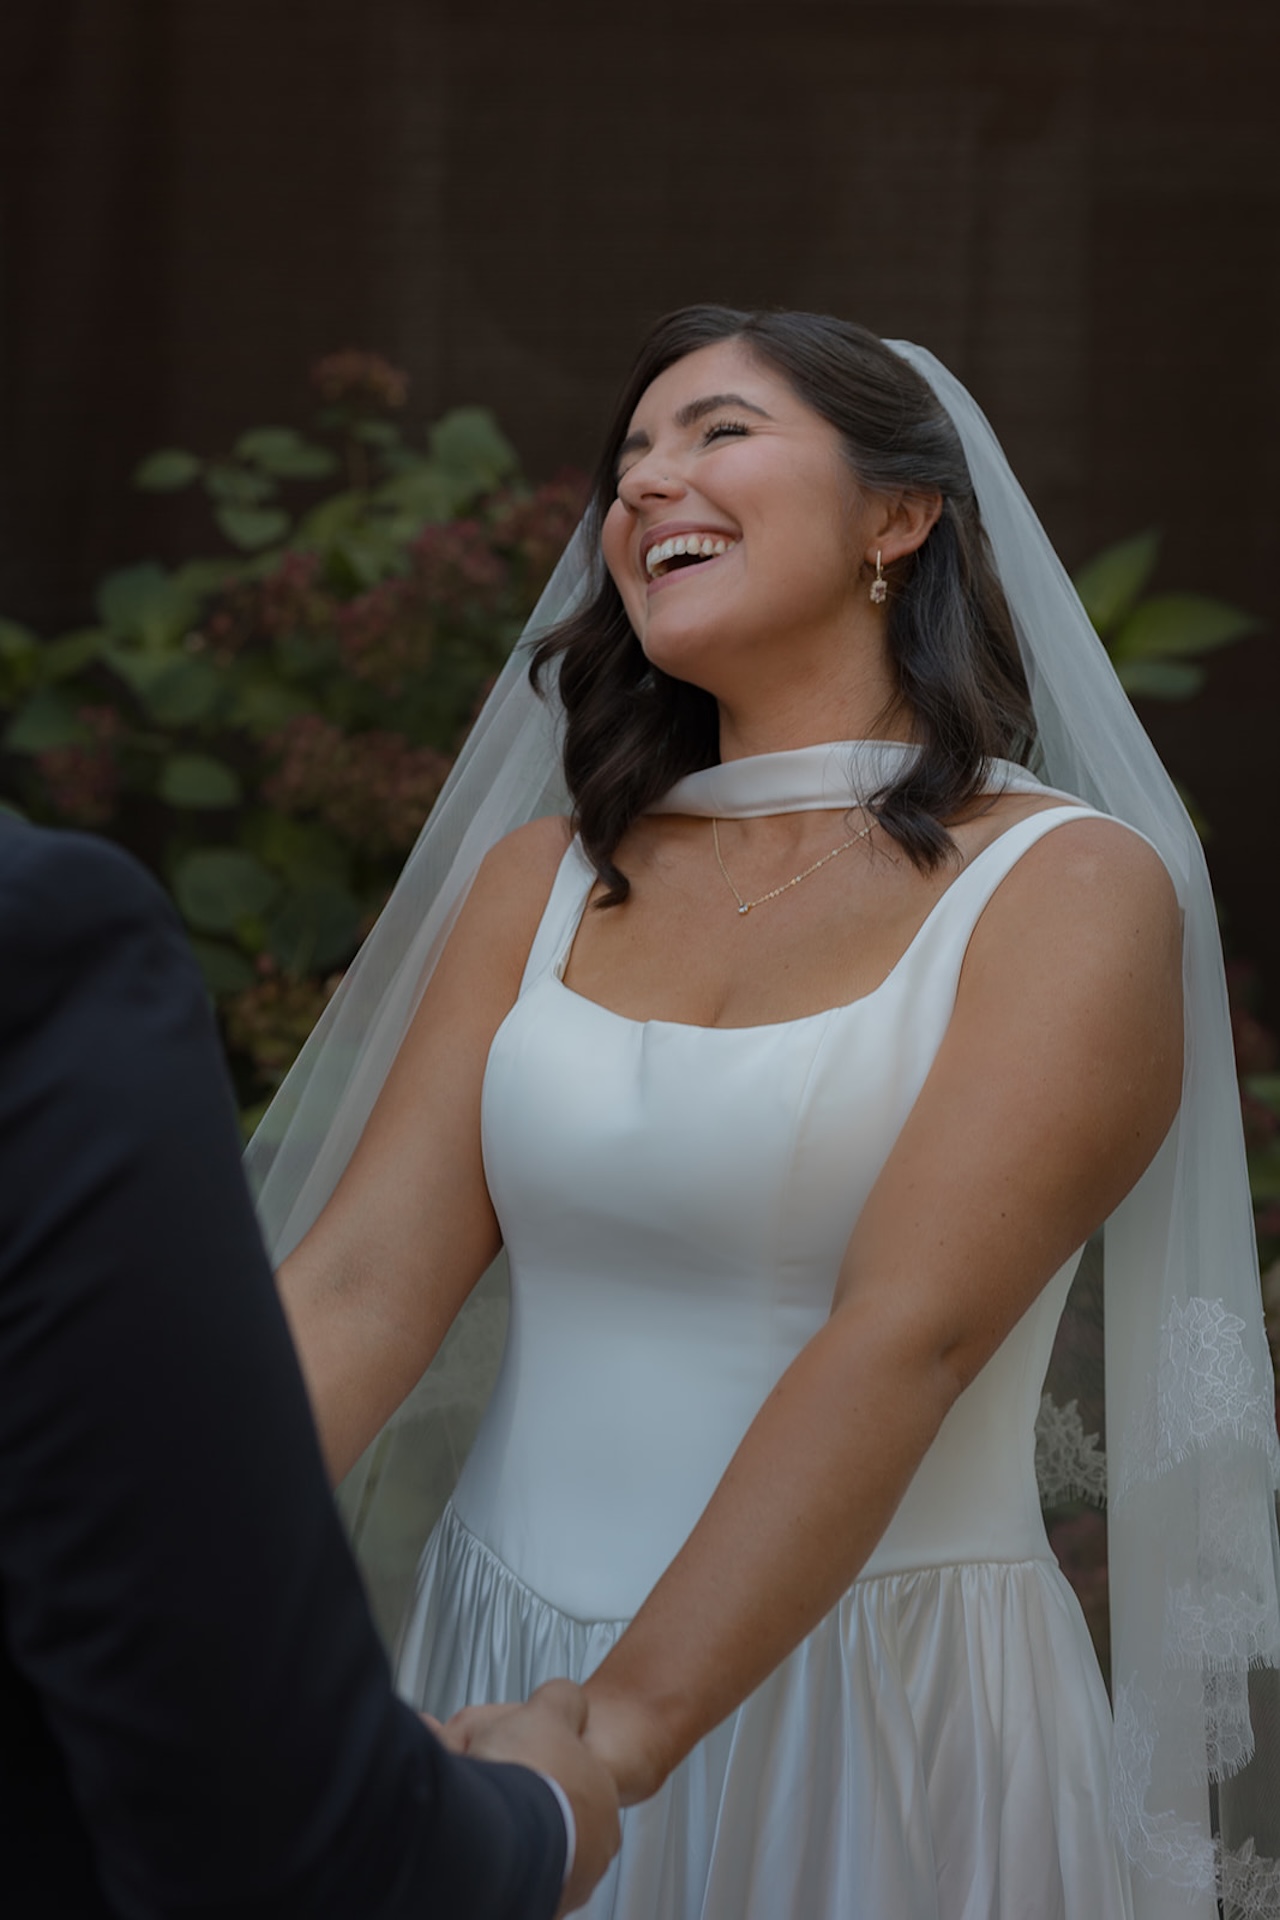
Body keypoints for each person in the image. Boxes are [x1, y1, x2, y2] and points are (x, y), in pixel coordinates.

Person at [251, 308, 1280, 1920]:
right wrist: (110, 1567)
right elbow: (357, 1288)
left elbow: (909, 1334)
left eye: (717, 432)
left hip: (871, 1693)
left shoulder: (1064, 886)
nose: (650, 481)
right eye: (630, 458)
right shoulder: (543, 883)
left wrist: (615, 1741)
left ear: (900, 512)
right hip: (500, 1669)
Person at [0, 813, 619, 1918]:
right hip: (509, 1663)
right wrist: (551, 1812)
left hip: (849, 1639)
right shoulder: (42, 934)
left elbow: (908, 1345)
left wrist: (651, 1714)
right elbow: (275, 1848)